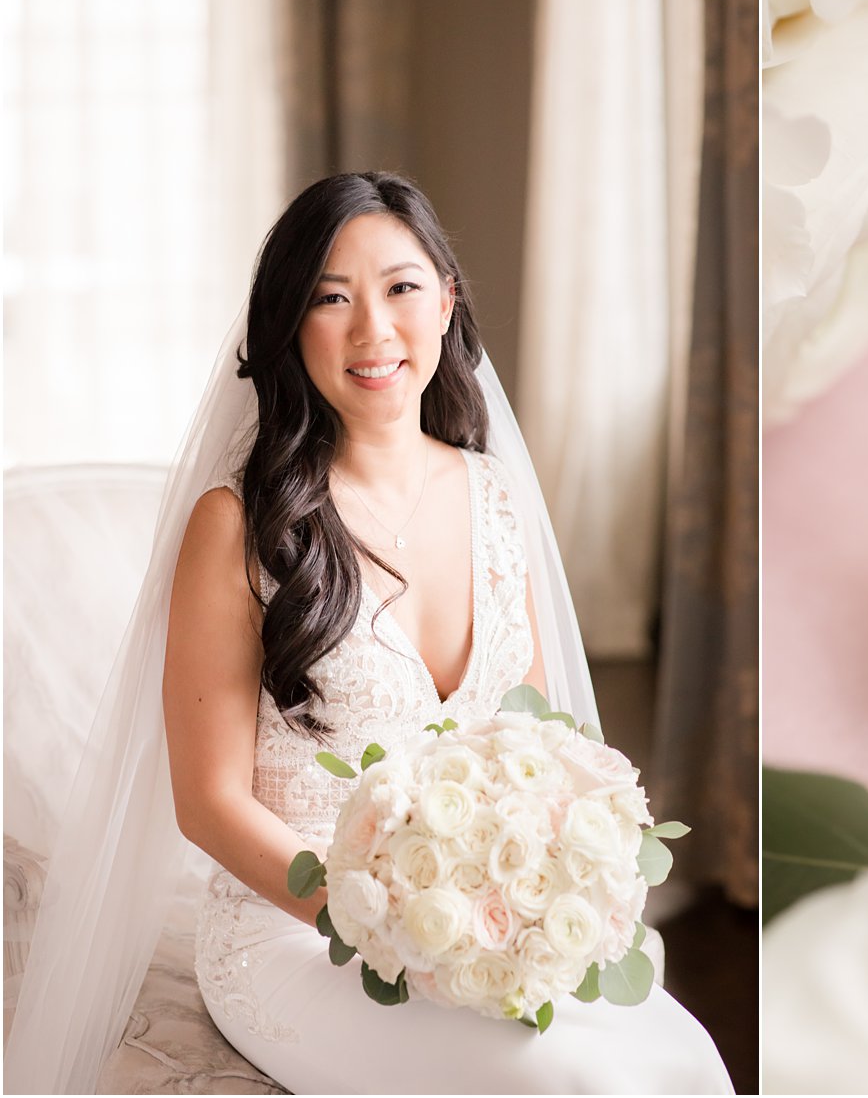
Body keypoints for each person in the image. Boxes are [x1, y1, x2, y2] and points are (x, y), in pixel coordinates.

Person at [9, 173, 733, 1094]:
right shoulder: (237, 526)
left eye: (400, 288)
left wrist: (526, 905)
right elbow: (210, 801)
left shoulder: (496, 496)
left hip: (482, 927)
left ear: (446, 302)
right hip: (294, 936)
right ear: (287, 325)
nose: (372, 331)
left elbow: (543, 743)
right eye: (330, 298)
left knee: (682, 1058)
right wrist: (377, 920)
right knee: (565, 1082)